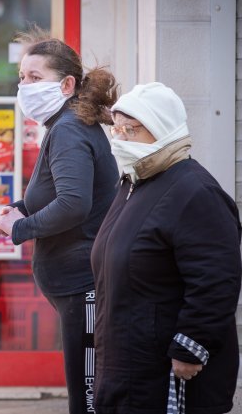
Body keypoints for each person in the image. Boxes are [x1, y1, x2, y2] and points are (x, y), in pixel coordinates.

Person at [91, 82, 241, 414]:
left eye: (129, 129)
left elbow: (215, 281)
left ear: (159, 127)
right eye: (116, 128)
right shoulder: (134, 183)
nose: (120, 139)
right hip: (127, 364)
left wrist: (191, 347)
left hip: (166, 372)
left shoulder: (195, 192)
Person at [0, 30, 119, 414]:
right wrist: (22, 209)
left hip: (83, 284)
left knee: (88, 397)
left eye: (35, 78)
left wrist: (20, 228)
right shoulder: (64, 125)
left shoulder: (68, 130)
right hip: (75, 283)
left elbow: (73, 205)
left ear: (67, 84)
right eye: (22, 77)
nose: (24, 86)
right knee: (86, 390)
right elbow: (63, 194)